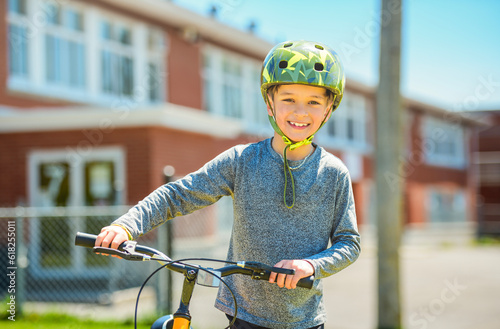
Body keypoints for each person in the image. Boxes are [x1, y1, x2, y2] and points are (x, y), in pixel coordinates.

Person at [95, 40, 361, 329]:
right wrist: (126, 226)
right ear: (270, 104)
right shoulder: (243, 160)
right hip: (241, 313)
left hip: (303, 320)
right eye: (288, 99)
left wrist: (311, 265)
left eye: (313, 102)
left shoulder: (334, 173)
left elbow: (349, 243)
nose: (300, 112)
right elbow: (178, 195)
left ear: (328, 109)